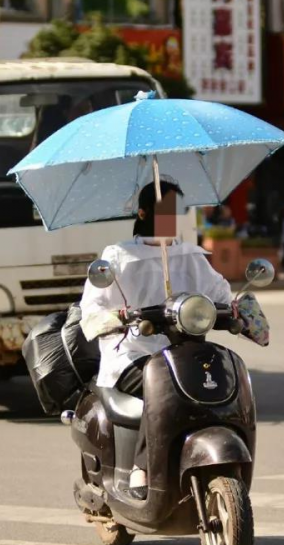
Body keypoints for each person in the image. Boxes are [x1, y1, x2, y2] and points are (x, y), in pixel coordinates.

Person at [80, 181, 234, 501]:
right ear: (143, 212)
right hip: (132, 352)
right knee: (162, 385)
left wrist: (237, 312)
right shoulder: (118, 256)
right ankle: (141, 468)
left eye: (176, 210)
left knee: (221, 376)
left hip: (183, 349)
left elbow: (220, 294)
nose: (172, 216)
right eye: (165, 210)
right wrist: (118, 317)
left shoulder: (189, 254)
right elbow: (92, 309)